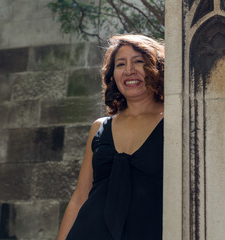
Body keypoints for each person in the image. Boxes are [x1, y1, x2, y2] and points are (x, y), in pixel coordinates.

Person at [56, 34, 164, 240]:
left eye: (139, 61)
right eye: (121, 64)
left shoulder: (176, 121)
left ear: (157, 68)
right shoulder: (100, 127)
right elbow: (79, 198)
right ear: (112, 75)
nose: (129, 70)